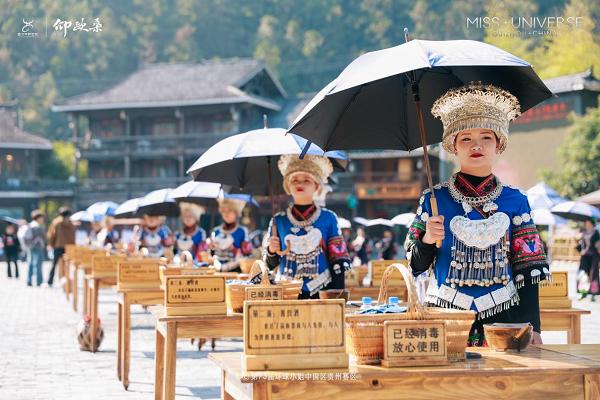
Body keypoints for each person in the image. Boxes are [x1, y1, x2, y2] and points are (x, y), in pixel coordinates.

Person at [405, 83, 550, 346]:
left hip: (505, 316)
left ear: (498, 145)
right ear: (453, 146)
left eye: (486, 137)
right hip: (444, 314)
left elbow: (528, 269)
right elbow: (415, 266)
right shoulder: (433, 200)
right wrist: (427, 241)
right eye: (466, 138)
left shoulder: (516, 200)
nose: (476, 145)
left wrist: (533, 327)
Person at [265, 154, 351, 298]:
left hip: (322, 290)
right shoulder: (278, 220)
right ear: (287, 185)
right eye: (294, 180)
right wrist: (271, 251)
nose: (300, 184)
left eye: (306, 180)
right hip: (286, 292)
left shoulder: (328, 218)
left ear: (316, 185)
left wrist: (337, 296)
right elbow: (269, 265)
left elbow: (338, 261)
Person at [209, 198, 253, 272]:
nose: (226, 214)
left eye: (229, 211)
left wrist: (234, 249)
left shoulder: (242, 231)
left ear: (236, 213)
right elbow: (211, 254)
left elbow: (247, 255)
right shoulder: (216, 231)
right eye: (224, 211)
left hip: (236, 271)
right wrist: (211, 247)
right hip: (216, 270)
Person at [46, 206, 75, 286]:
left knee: (54, 264)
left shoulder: (56, 222)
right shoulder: (71, 223)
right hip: (69, 247)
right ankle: (66, 281)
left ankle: (50, 281)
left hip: (58, 246)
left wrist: (50, 244)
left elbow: (52, 235)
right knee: (67, 265)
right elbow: (73, 236)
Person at [578, 219, 599, 301]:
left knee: (593, 275)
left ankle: (593, 294)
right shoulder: (584, 232)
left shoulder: (596, 232)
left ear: (592, 224)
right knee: (583, 275)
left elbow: (598, 245)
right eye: (586, 223)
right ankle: (583, 293)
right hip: (585, 257)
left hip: (594, 256)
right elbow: (581, 244)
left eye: (588, 223)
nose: (586, 224)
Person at [24, 209, 46, 287]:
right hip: (37, 246)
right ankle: (39, 281)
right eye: (42, 218)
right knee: (38, 264)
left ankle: (29, 280)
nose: (43, 219)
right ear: (38, 218)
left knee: (30, 263)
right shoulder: (37, 226)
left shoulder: (30, 225)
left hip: (30, 246)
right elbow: (43, 238)